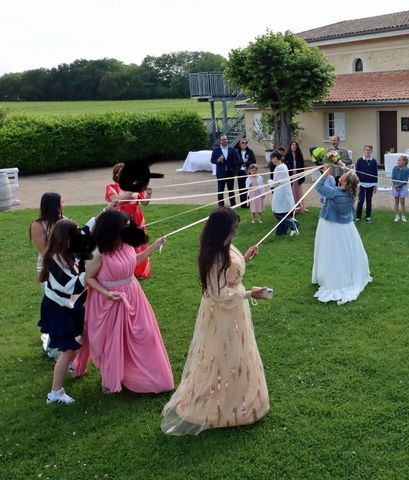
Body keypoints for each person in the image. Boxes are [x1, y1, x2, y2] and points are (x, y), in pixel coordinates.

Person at [161, 208, 270, 434]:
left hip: (234, 310)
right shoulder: (215, 255)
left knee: (237, 351)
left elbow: (228, 274)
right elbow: (219, 294)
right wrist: (252, 293)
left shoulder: (222, 246)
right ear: (222, 230)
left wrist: (246, 256)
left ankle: (236, 395)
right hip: (222, 313)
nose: (235, 232)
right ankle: (218, 405)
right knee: (221, 352)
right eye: (233, 228)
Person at [73, 210, 173, 394]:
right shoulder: (97, 253)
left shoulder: (126, 244)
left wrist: (155, 246)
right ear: (112, 230)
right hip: (109, 301)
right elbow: (89, 278)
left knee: (145, 334)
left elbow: (134, 261)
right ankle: (112, 377)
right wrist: (107, 293)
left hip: (134, 295)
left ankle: (147, 374)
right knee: (113, 342)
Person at [38, 220, 88, 404]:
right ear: (64, 239)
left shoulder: (66, 251)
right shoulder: (55, 260)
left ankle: (64, 366)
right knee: (68, 350)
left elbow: (86, 230)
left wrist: (107, 210)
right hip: (57, 309)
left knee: (72, 346)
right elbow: (72, 286)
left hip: (69, 306)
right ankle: (55, 393)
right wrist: (90, 271)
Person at [312, 163, 371, 305]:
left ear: (344, 181)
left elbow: (318, 187)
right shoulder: (352, 194)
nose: (342, 174)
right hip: (346, 227)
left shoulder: (335, 193)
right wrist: (341, 166)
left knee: (331, 252)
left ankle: (332, 278)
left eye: (344, 175)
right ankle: (345, 275)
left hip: (330, 225)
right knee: (344, 253)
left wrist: (326, 173)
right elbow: (352, 175)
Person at [30, 193, 64, 358]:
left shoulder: (64, 220)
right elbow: (45, 251)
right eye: (60, 202)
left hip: (67, 265)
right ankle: (55, 345)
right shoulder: (38, 225)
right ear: (54, 205)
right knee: (55, 303)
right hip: (49, 267)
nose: (63, 204)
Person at [106, 163, 153, 278]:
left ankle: (140, 271)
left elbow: (145, 203)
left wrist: (149, 194)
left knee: (139, 243)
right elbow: (116, 201)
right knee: (122, 244)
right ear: (116, 174)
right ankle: (124, 270)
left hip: (137, 218)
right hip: (120, 220)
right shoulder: (111, 187)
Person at [267, 151, 300, 236]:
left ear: (276, 158)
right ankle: (281, 232)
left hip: (281, 193)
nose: (271, 160)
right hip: (284, 192)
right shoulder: (283, 166)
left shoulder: (279, 168)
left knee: (277, 213)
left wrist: (269, 182)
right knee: (283, 213)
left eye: (272, 158)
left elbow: (275, 183)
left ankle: (294, 224)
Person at [211, 134, 241, 207]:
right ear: (220, 141)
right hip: (221, 174)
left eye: (225, 139)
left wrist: (235, 172)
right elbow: (212, 160)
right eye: (222, 140)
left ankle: (233, 205)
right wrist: (217, 160)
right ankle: (221, 206)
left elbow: (237, 161)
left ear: (227, 140)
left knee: (231, 190)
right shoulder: (216, 150)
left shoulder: (232, 150)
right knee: (220, 191)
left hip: (230, 173)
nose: (224, 141)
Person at [355, 145, 378, 222]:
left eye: (369, 150)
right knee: (361, 200)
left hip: (371, 184)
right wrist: (357, 184)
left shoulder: (374, 161)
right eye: (366, 150)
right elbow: (357, 173)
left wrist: (375, 185)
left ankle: (368, 216)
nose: (367, 151)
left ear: (371, 151)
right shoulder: (359, 160)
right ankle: (358, 216)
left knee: (369, 200)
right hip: (361, 184)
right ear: (364, 150)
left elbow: (375, 173)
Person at [285, 140, 308, 213]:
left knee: (299, 191)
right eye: (292, 145)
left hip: (298, 175)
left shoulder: (299, 155)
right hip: (291, 175)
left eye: (295, 145)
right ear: (290, 146)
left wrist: (302, 176)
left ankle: (300, 207)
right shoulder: (287, 155)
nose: (294, 146)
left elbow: (302, 166)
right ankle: (292, 208)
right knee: (291, 191)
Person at [234, 137, 257, 208]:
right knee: (241, 189)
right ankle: (243, 204)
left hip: (248, 172)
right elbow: (234, 162)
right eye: (243, 143)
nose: (244, 144)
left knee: (249, 188)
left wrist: (246, 162)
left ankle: (251, 203)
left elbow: (254, 161)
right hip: (240, 172)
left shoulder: (250, 151)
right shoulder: (236, 152)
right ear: (239, 144)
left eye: (246, 143)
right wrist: (242, 161)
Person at [391, 155, 409, 222]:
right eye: (398, 160)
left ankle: (403, 216)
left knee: (402, 202)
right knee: (396, 202)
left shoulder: (407, 169)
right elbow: (393, 177)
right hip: (395, 187)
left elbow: (406, 179)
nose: (398, 162)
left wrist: (399, 185)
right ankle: (397, 216)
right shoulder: (395, 168)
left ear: (404, 162)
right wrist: (396, 185)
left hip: (403, 187)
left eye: (400, 160)